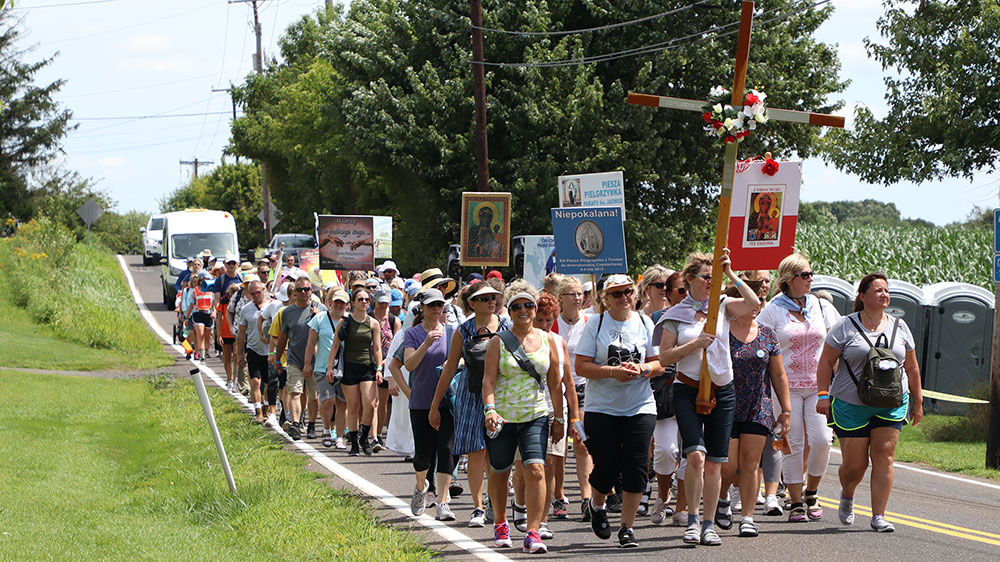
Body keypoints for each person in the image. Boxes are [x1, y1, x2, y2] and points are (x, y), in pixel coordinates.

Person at [658, 251, 760, 547]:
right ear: (689, 280)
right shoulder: (676, 314)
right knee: (696, 456)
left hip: (722, 390)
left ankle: (708, 523)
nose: (709, 283)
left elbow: (753, 304)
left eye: (713, 278)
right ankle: (691, 519)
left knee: (716, 462)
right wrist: (694, 344)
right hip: (688, 389)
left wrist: (730, 275)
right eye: (706, 277)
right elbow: (665, 356)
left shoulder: (723, 306)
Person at [816, 272, 923, 533]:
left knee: (884, 456)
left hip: (891, 403)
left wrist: (917, 402)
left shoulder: (901, 326)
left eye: (886, 290)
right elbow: (826, 362)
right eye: (878, 290)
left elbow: (911, 367)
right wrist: (822, 395)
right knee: (855, 466)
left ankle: (878, 516)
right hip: (851, 403)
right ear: (862, 297)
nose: (884, 294)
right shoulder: (845, 325)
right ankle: (848, 493)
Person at [575, 274, 664, 548]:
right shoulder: (596, 324)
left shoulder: (645, 322)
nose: (624, 297)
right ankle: (597, 505)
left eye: (628, 291)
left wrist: (643, 369)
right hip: (602, 407)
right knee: (608, 465)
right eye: (617, 293)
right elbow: (581, 367)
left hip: (640, 405)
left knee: (637, 467)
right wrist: (613, 371)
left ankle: (627, 527)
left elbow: (659, 363)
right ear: (605, 299)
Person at [757, 254, 840, 521]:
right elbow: (761, 345)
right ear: (789, 279)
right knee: (792, 442)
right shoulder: (772, 309)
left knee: (822, 440)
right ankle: (795, 501)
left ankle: (811, 491)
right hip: (785, 387)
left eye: (811, 274)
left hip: (818, 386)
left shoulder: (820, 305)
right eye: (805, 275)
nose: (810, 279)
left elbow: (838, 338)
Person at [482, 282, 562, 553]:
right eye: (516, 306)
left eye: (528, 305)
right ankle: (501, 523)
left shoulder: (547, 339)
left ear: (535, 308)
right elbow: (488, 381)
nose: (523, 310)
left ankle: (533, 531)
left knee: (537, 470)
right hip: (503, 417)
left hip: (536, 415)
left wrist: (560, 418)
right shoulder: (498, 341)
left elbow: (555, 383)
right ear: (510, 311)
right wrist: (490, 410)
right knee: (500, 471)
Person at [429, 283, 510, 527]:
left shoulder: (508, 327)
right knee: (476, 451)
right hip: (470, 394)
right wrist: (435, 405)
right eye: (483, 298)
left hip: (500, 395)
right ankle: (477, 507)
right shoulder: (462, 331)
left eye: (493, 297)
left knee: (497, 454)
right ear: (471, 303)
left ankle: (494, 501)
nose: (491, 301)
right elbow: (449, 368)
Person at [717, 277, 791, 538]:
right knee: (728, 466)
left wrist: (786, 409)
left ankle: (747, 517)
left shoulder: (768, 335)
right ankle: (722, 496)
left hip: (758, 406)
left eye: (760, 298)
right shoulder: (721, 332)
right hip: (725, 405)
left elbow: (779, 375)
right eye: (750, 299)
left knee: (750, 463)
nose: (756, 303)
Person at [401, 289, 458, 521]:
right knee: (423, 454)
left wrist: (454, 363)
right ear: (422, 308)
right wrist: (425, 344)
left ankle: (443, 501)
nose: (437, 309)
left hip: (447, 400)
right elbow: (409, 365)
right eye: (432, 305)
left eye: (440, 305)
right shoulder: (413, 334)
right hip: (421, 402)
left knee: (446, 449)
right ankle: (420, 486)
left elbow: (461, 358)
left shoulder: (453, 331)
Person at [529, 292, 581, 539]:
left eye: (549, 319)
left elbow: (569, 383)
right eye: (540, 319)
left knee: (550, 464)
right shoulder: (522, 341)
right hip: (528, 410)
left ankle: (543, 519)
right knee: (528, 468)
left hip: (554, 411)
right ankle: (523, 509)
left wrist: (574, 417)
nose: (545, 325)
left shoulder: (559, 342)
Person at [552, 276, 593, 521]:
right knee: (559, 446)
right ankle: (558, 496)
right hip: (556, 389)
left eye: (579, 293)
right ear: (561, 298)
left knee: (582, 442)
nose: (577, 298)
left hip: (584, 388)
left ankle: (586, 498)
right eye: (571, 294)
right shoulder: (552, 324)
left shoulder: (590, 321)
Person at [326, 288, 383, 456]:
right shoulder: (344, 322)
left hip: (367, 367)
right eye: (360, 299)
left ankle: (364, 437)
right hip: (349, 367)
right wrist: (330, 367)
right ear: (353, 302)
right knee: (353, 406)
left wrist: (379, 368)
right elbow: (335, 345)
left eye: (366, 299)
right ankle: (354, 443)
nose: (364, 302)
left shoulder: (373, 323)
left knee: (370, 404)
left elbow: (378, 348)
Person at [272, 276, 326, 440]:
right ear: (294, 292)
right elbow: (282, 337)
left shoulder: (321, 309)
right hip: (294, 359)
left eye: (307, 289)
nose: (304, 292)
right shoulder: (287, 312)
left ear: (311, 290)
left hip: (316, 360)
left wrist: (319, 316)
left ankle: (310, 425)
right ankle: (295, 424)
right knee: (295, 392)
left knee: (313, 395)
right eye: (300, 289)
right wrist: (276, 359)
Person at [305, 288, 350, 448]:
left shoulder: (350, 320)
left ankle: (339, 436)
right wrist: (307, 364)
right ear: (331, 302)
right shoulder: (319, 318)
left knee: (342, 403)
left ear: (347, 305)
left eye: (342, 303)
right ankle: (325, 429)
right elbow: (311, 343)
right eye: (336, 301)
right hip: (322, 367)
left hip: (344, 368)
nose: (338, 305)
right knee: (327, 401)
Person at [235, 280, 271, 423]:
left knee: (268, 383)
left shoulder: (271, 306)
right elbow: (241, 333)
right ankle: (258, 412)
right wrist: (238, 354)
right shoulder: (246, 309)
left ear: (263, 290)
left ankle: (266, 409)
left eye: (258, 292)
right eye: (253, 293)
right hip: (253, 349)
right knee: (255, 382)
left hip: (269, 351)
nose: (256, 295)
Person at [372, 285, 401, 448]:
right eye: (380, 302)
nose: (383, 305)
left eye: (386, 302)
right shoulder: (369, 317)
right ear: (374, 300)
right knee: (370, 401)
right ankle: (369, 431)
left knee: (382, 402)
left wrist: (384, 362)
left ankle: (378, 433)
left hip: (386, 363)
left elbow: (396, 344)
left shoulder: (393, 320)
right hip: (369, 362)